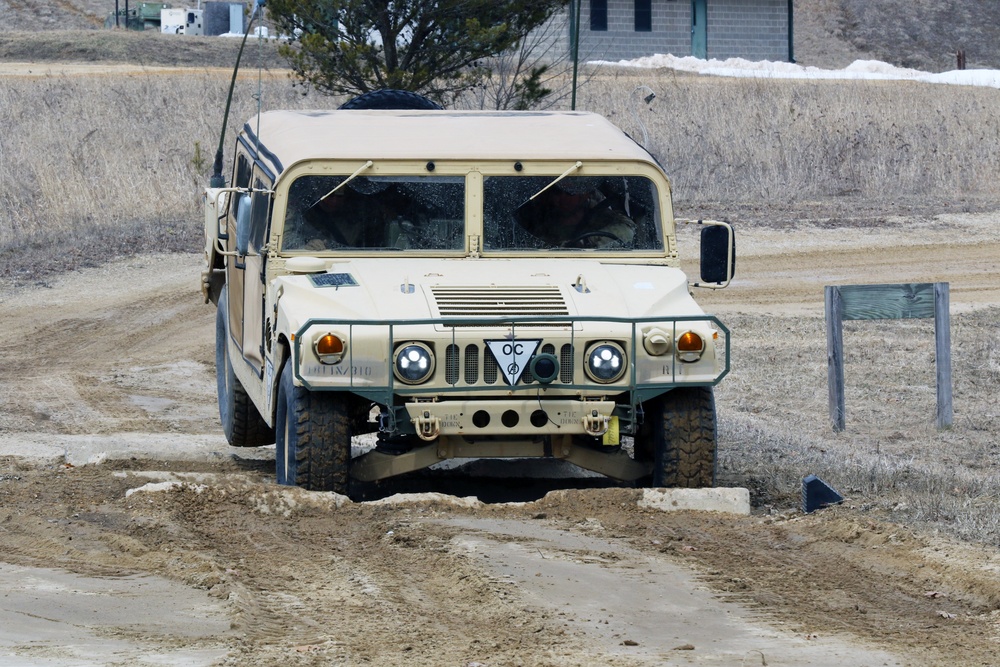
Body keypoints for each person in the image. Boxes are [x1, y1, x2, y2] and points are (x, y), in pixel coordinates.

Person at [515, 177, 636, 249]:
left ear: (584, 194)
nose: (559, 199)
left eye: (568, 194)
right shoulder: (535, 220)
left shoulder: (612, 225)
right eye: (556, 193)